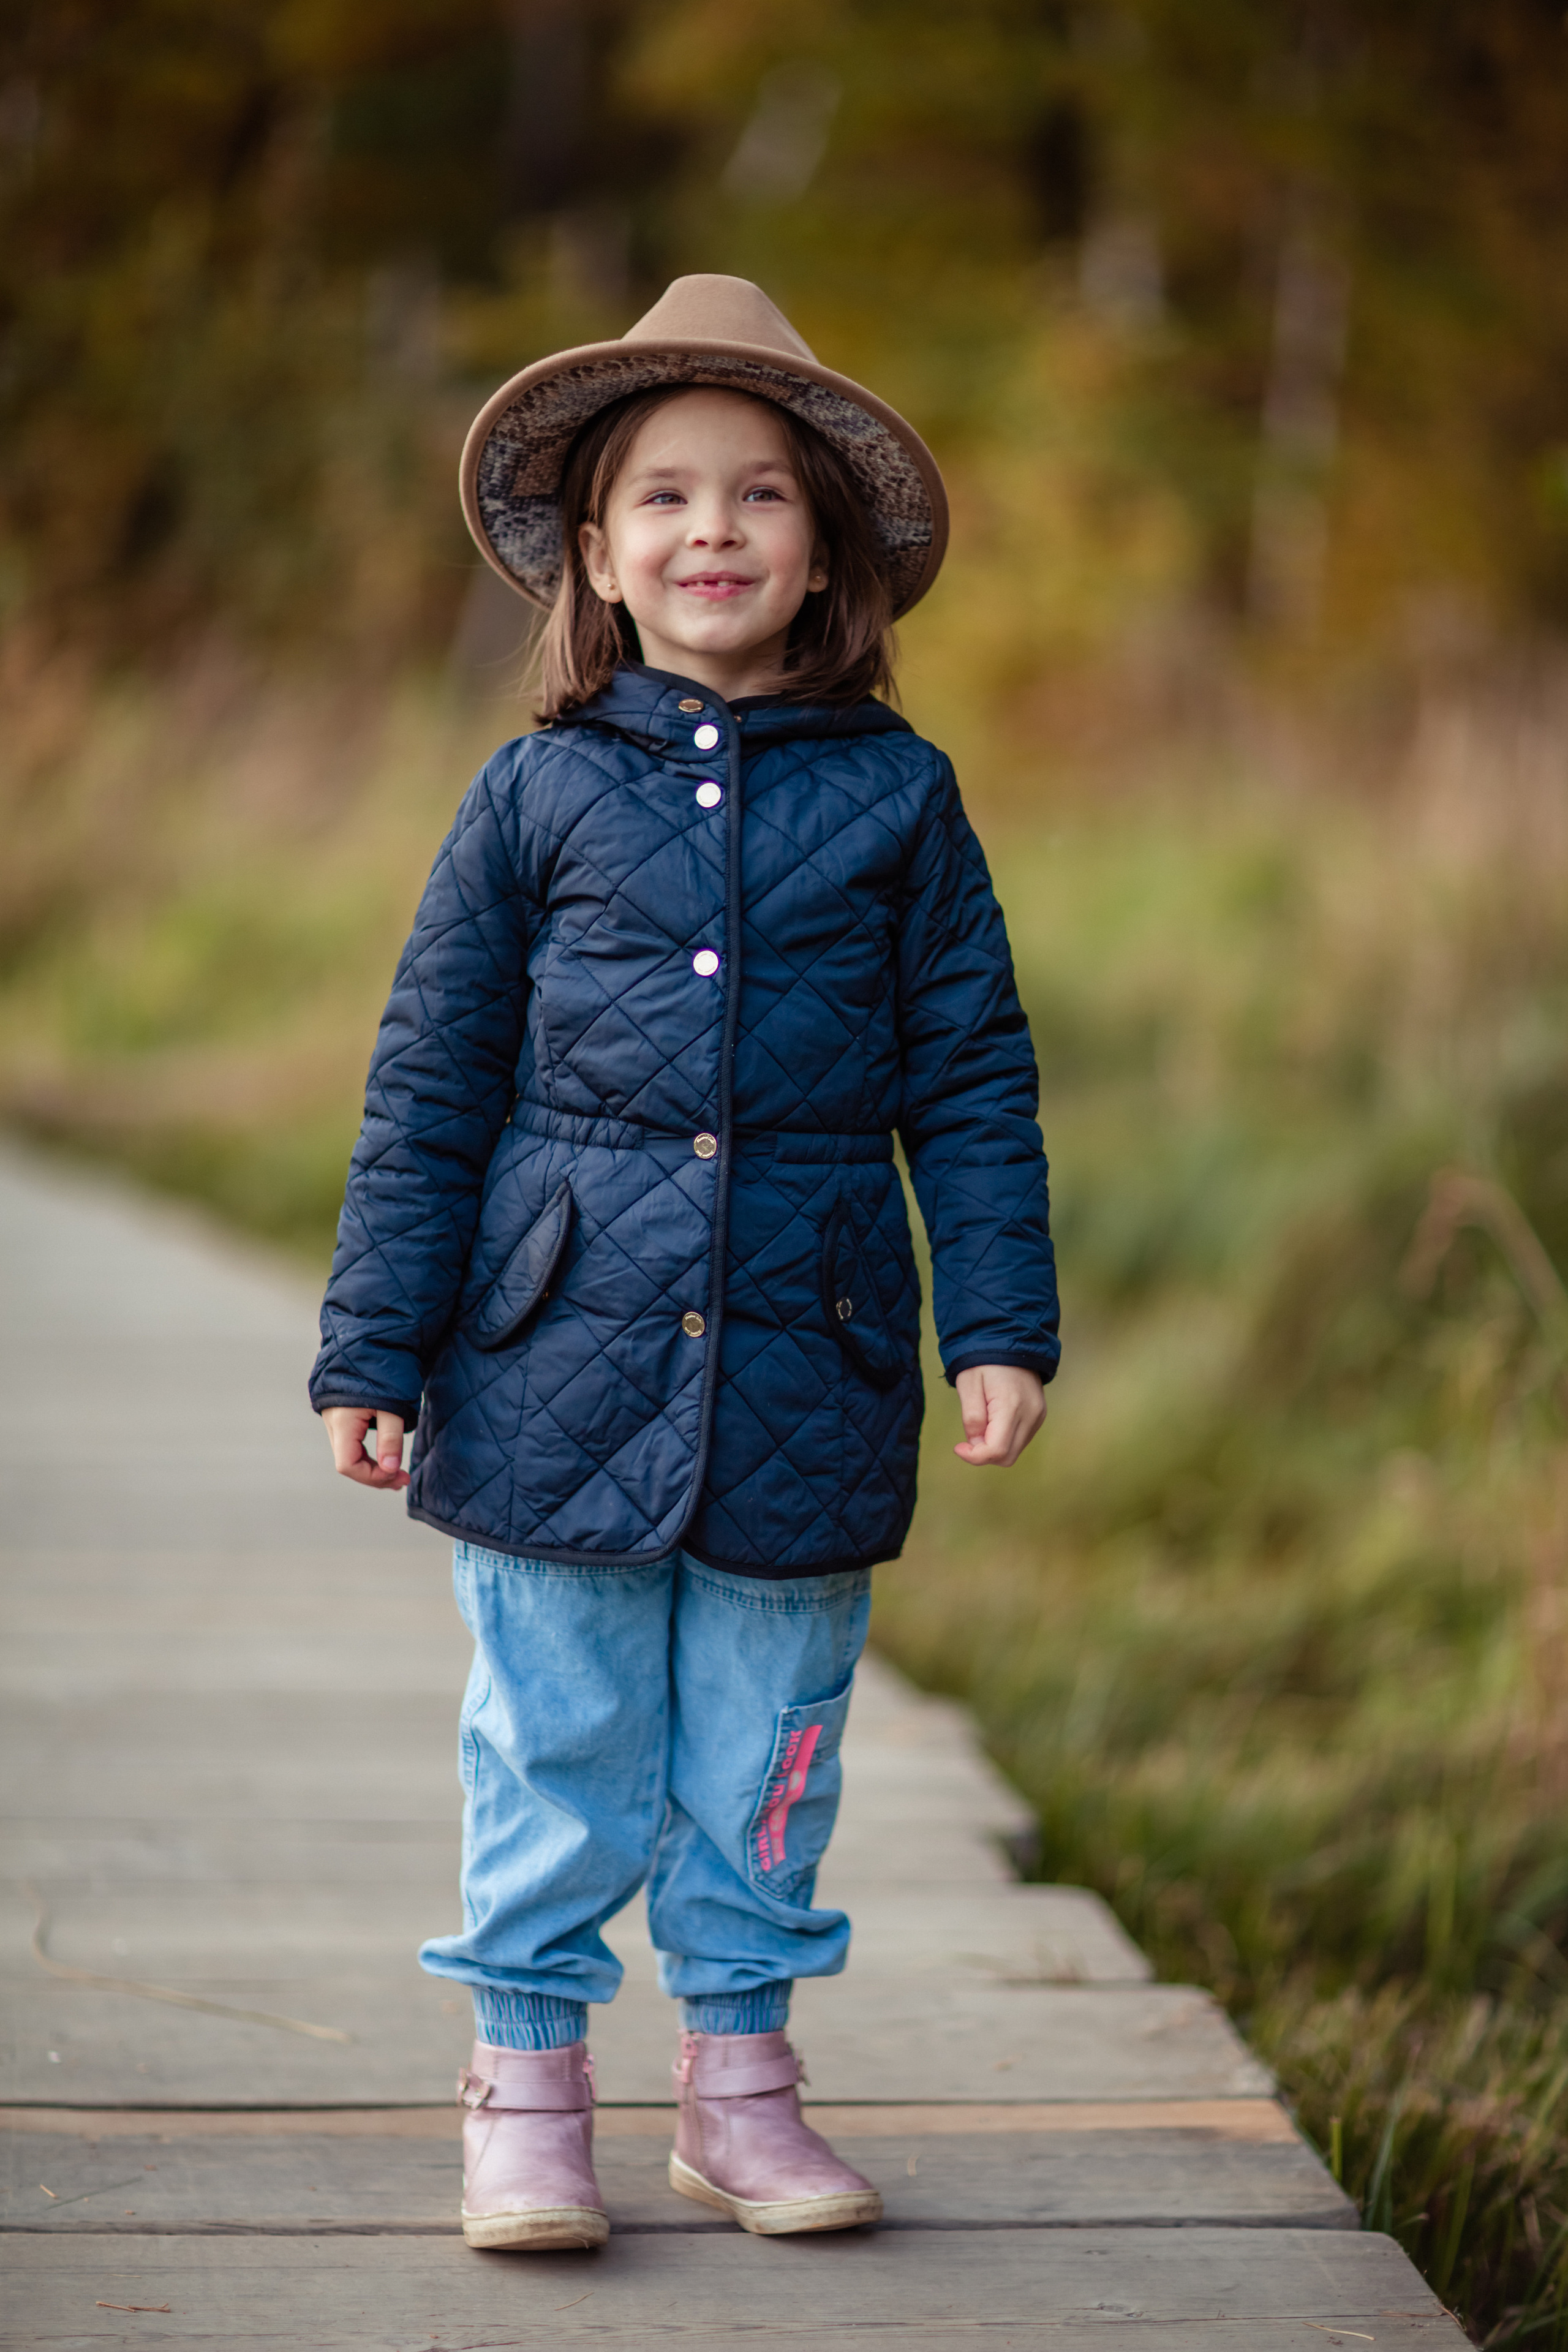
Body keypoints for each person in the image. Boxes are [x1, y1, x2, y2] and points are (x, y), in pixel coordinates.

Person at [310, 275, 1059, 2252]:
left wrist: (997, 1314)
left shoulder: (897, 796)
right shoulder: (537, 791)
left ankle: (738, 2087)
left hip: (812, 1357)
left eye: (757, 498)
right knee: (556, 1738)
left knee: (768, 1748)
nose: (710, 530)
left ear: (825, 558)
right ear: (599, 558)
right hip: (551, 1347)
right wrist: (370, 1350)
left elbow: (975, 1072)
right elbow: (430, 1087)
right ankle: (526, 2084)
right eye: (661, 498)